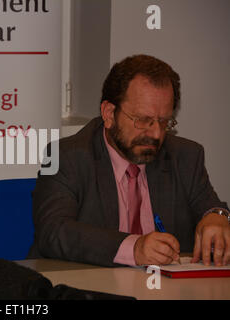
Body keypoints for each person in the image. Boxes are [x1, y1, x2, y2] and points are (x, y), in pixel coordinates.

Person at [28, 54, 230, 267]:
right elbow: (53, 231)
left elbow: (211, 208)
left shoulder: (185, 156)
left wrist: (217, 217)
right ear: (108, 113)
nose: (155, 134)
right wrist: (133, 248)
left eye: (163, 121)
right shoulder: (64, 156)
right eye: (143, 120)